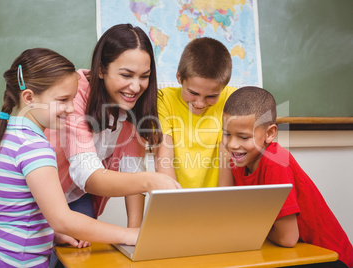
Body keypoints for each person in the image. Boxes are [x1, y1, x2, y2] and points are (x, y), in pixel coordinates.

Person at [0, 48, 142, 268]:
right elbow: (63, 219)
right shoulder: (35, 147)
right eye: (63, 100)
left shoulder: (11, 134)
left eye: (73, 98)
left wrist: (51, 234)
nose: (71, 108)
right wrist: (129, 235)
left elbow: (18, 213)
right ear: (30, 98)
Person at [45, 23, 181, 248]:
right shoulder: (74, 95)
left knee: (76, 258)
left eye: (144, 76)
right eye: (126, 75)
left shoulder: (134, 107)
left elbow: (132, 172)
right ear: (101, 70)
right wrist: (150, 180)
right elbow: (88, 175)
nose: (136, 87)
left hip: (79, 197)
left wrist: (135, 235)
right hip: (44, 195)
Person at [220, 86, 353, 268]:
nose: (233, 144)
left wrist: (248, 223)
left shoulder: (276, 163)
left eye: (243, 137)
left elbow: (288, 238)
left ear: (269, 134)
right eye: (227, 134)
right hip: (295, 252)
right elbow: (227, 208)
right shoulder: (239, 158)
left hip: (331, 258)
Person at [155, 37, 236, 188]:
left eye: (211, 96)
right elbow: (163, 159)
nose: (200, 103)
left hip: (219, 200)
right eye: (193, 92)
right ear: (179, 77)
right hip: (175, 199)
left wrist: (224, 204)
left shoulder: (232, 99)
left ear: (224, 87)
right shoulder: (164, 100)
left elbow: (227, 160)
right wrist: (176, 201)